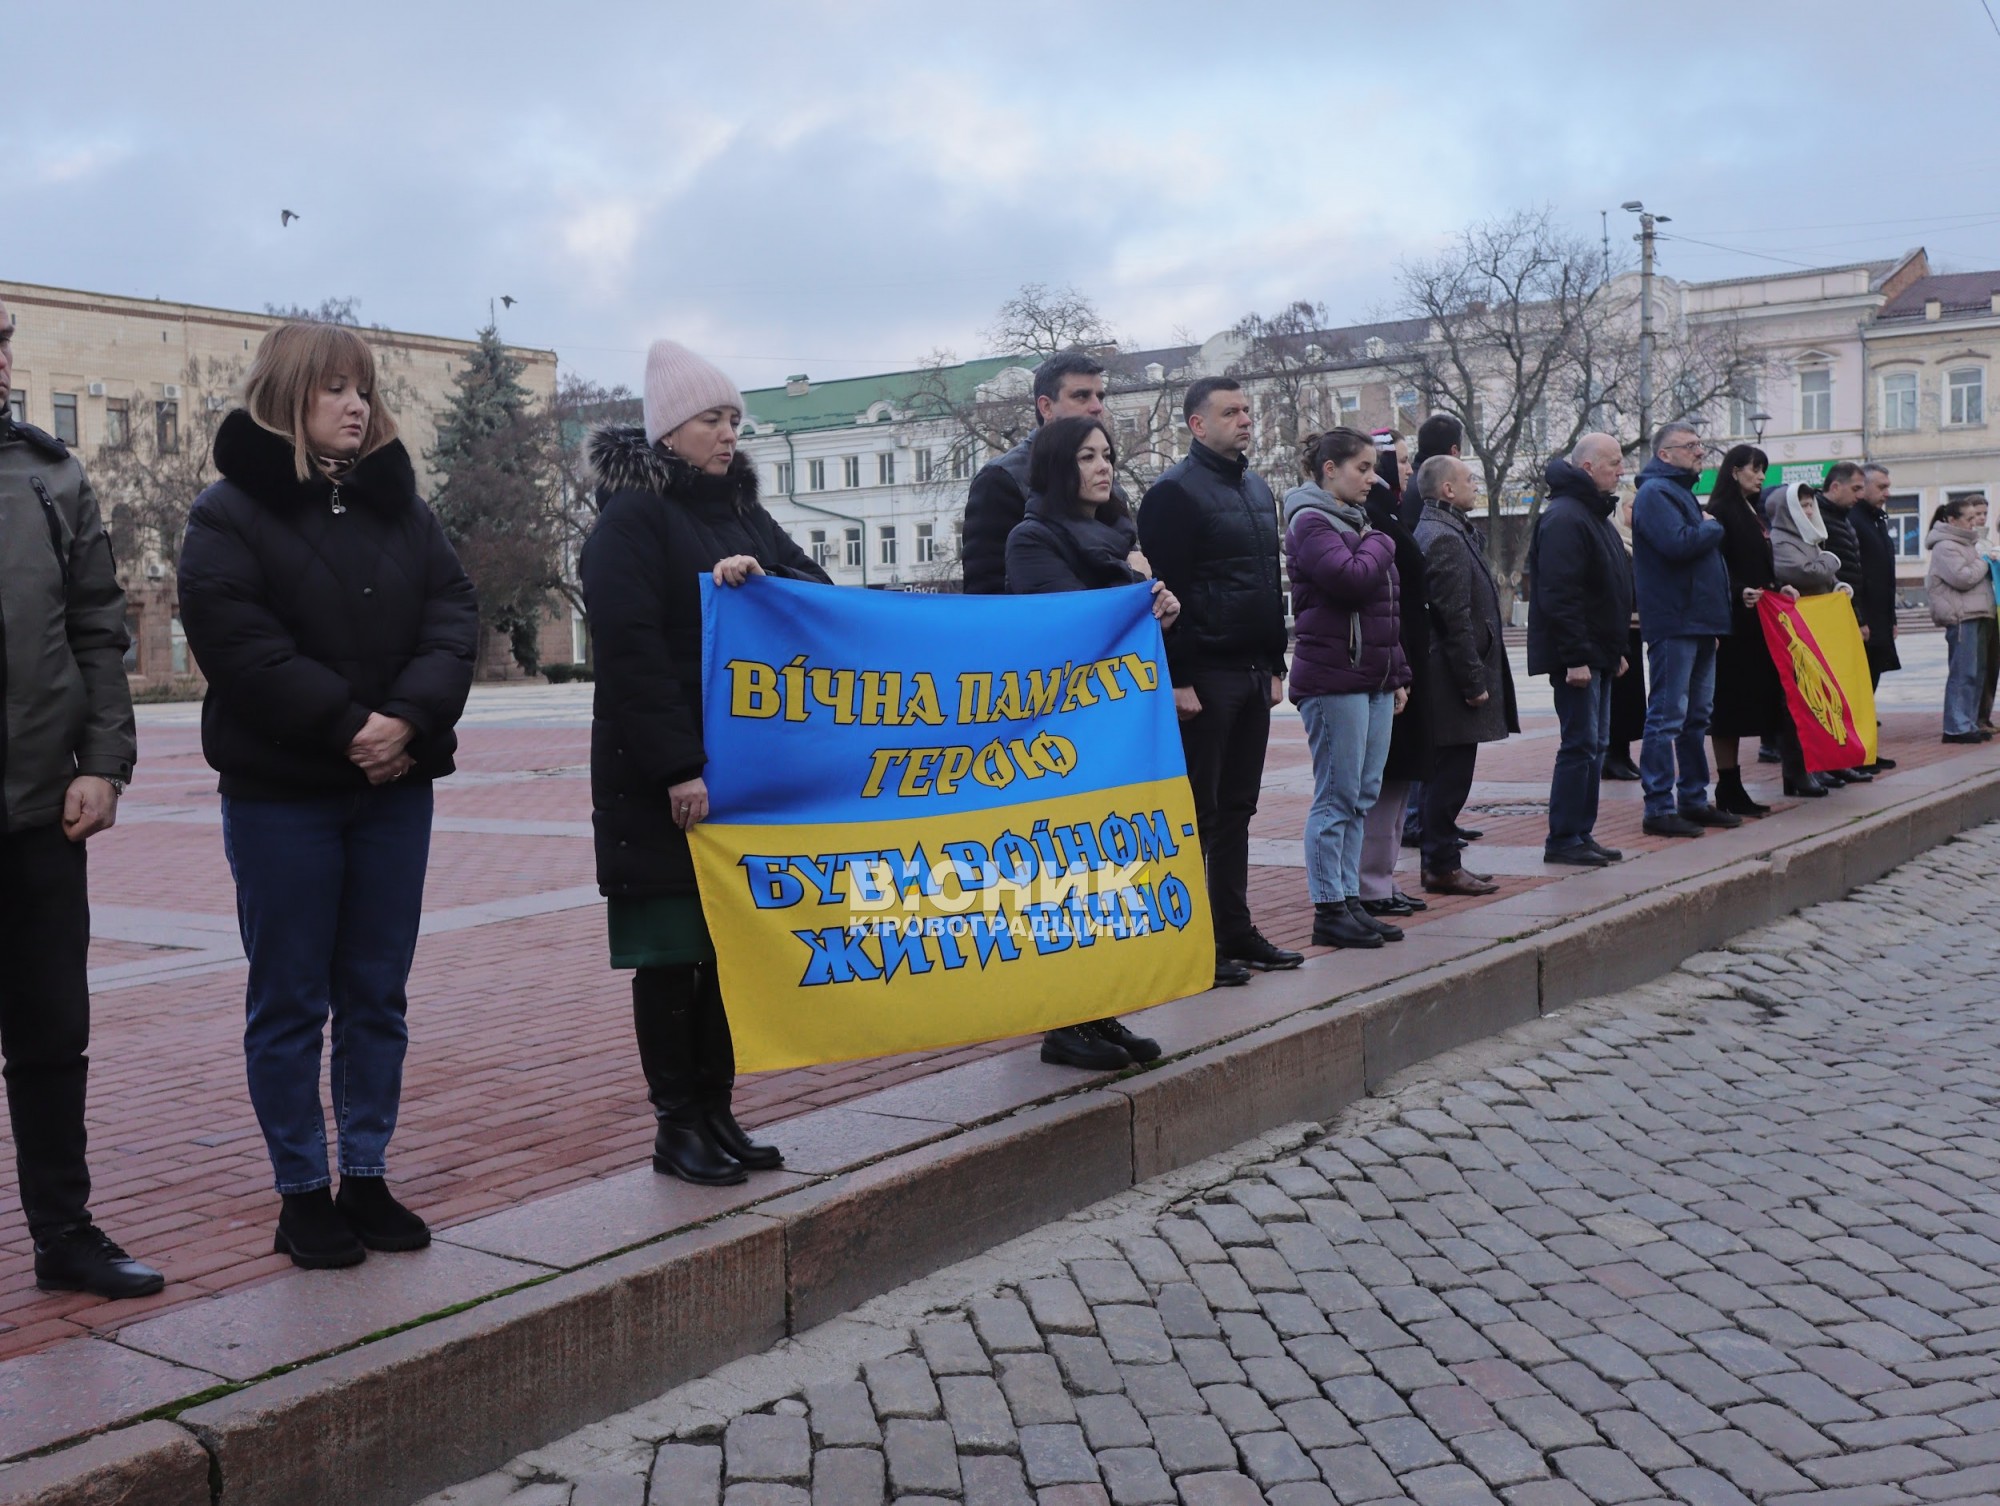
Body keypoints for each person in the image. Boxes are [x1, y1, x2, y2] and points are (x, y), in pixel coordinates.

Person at [179, 322, 479, 1269]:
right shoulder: (225, 516)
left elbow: (453, 617)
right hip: (285, 799)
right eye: (334, 389)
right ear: (287, 397)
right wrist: (353, 728)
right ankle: (303, 1193)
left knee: (377, 995)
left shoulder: (405, 511)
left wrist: (408, 722)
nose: (356, 405)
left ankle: (369, 1174)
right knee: (290, 1001)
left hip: (395, 791)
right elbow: (241, 646)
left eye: (363, 389)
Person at [582, 339, 832, 1187]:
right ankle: (675, 1125)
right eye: (711, 419)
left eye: (733, 419)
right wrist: (676, 767)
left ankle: (717, 1111)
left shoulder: (742, 514)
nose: (729, 434)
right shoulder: (630, 519)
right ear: (667, 431)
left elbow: (814, 592)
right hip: (663, 781)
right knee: (670, 955)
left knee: (725, 949)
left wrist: (757, 582)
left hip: (739, 776)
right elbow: (629, 655)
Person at [0, 300, 162, 1300]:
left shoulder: (51, 475)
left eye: (2, 339)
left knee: (54, 1034)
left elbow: (100, 631)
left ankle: (65, 1234)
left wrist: (102, 763)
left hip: (36, 818)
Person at [1005, 416, 1181, 1067]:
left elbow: (1126, 633)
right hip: (1057, 736)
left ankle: (1099, 1012)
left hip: (1110, 732)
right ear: (1057, 466)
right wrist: (1137, 585)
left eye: (1108, 454)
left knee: (1104, 874)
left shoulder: (1118, 534)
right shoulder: (1033, 536)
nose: (1104, 466)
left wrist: (1161, 610)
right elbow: (1069, 626)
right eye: (1087, 456)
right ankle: (1061, 1022)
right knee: (1060, 876)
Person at [1138, 377, 1303, 985]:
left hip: (1252, 673)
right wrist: (1178, 678)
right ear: (1196, 425)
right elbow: (1164, 595)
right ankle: (1192, 944)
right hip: (1203, 675)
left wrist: (1275, 663)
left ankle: (1234, 927)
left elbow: (1266, 583)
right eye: (1230, 412)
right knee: (1199, 815)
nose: (1244, 421)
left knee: (1239, 810)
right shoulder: (1174, 494)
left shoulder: (1257, 488)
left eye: (1247, 411)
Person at [1282, 429, 1410, 948]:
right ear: (1329, 469)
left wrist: (1396, 674)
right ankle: (1328, 907)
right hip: (1333, 678)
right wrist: (1383, 539)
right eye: (1363, 468)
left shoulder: (1357, 522)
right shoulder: (1310, 520)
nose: (1372, 478)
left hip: (1371, 677)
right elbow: (1352, 580)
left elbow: (1385, 612)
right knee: (1335, 797)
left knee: (1361, 795)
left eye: (1374, 468)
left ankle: (1351, 900)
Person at [1525, 434, 1632, 866]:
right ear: (1588, 467)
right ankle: (1564, 837)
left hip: (1598, 652)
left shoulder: (1590, 512)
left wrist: (1614, 649)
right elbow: (1560, 593)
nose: (1621, 471)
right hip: (1578, 656)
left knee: (1596, 744)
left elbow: (1604, 589)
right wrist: (1575, 657)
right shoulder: (1567, 517)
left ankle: (1580, 833)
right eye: (1614, 463)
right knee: (1580, 745)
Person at [1413, 456, 1517, 895]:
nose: (1476, 485)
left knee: (1449, 777)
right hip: (1450, 683)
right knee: (1448, 780)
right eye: (1469, 479)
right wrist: (1474, 683)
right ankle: (1440, 865)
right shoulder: (1443, 538)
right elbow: (1454, 620)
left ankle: (1443, 861)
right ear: (1447, 491)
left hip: (1451, 678)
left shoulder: (1450, 531)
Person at [1631, 424, 1739, 838]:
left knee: (1696, 717)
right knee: (1667, 716)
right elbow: (1678, 545)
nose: (1699, 452)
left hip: (1698, 620)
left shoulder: (1678, 492)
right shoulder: (1655, 494)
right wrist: (1712, 526)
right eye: (1690, 446)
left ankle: (1693, 800)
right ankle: (1659, 807)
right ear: (1665, 454)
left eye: (1700, 445)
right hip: (1675, 621)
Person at [1705, 445, 1808, 813]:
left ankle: (1735, 787)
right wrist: (1736, 591)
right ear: (1734, 471)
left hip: (1758, 621)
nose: (1761, 477)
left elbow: (1757, 562)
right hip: (1733, 624)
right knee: (1729, 709)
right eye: (1755, 469)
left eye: (1764, 470)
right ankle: (1727, 786)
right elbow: (1715, 564)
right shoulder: (1720, 512)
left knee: (1752, 705)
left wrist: (1779, 588)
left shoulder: (1755, 511)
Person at [1357, 438, 1431, 921]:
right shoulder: (1375, 522)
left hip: (1404, 661)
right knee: (1380, 781)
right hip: (1387, 660)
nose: (1406, 470)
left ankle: (1383, 877)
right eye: (1400, 462)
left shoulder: (1393, 518)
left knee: (1399, 779)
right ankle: (1370, 883)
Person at [961, 352, 1108, 596]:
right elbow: (987, 594)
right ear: (1046, 407)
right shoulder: (1001, 479)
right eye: (1081, 396)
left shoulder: (1104, 476)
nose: (1097, 407)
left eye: (1100, 397)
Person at [1766, 481, 1850, 795]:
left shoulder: (1810, 539)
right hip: (1797, 632)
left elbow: (1823, 572)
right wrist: (1832, 561)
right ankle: (1798, 770)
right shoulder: (1781, 540)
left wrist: (1838, 583)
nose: (1809, 509)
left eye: (1810, 504)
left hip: (1818, 627)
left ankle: (1823, 763)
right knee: (1800, 704)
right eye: (1801, 505)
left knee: (1823, 699)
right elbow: (1806, 572)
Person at [1813, 463, 1874, 784]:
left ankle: (1841, 758)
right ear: (1835, 487)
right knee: (1829, 693)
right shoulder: (1819, 518)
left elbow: (1853, 574)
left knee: (1844, 691)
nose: (1860, 496)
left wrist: (1860, 616)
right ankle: (1827, 760)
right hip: (1827, 612)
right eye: (1855, 489)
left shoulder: (1842, 519)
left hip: (1845, 610)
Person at [1926, 493, 1996, 744]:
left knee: (1976, 673)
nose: (1973, 523)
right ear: (1952, 520)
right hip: (1961, 616)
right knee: (1963, 673)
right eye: (1968, 519)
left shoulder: (1966, 544)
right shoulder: (1946, 546)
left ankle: (1969, 722)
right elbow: (1962, 578)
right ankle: (1956, 726)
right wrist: (1985, 563)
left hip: (1976, 613)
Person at [1854, 463, 1902, 769]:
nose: (1887, 493)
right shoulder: (1854, 519)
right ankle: (1859, 753)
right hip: (1864, 619)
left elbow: (1886, 571)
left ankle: (1867, 750)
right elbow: (1855, 573)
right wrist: (1861, 618)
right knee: (1860, 686)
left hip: (1880, 616)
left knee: (1870, 684)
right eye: (1881, 487)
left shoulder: (1876, 519)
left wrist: (1892, 616)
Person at [1604, 490, 1646, 782]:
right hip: (1618, 630)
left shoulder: (1637, 542)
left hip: (1636, 628)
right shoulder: (1614, 540)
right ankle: (1612, 755)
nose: (1636, 511)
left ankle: (1624, 754)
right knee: (1620, 697)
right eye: (1632, 506)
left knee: (1632, 699)